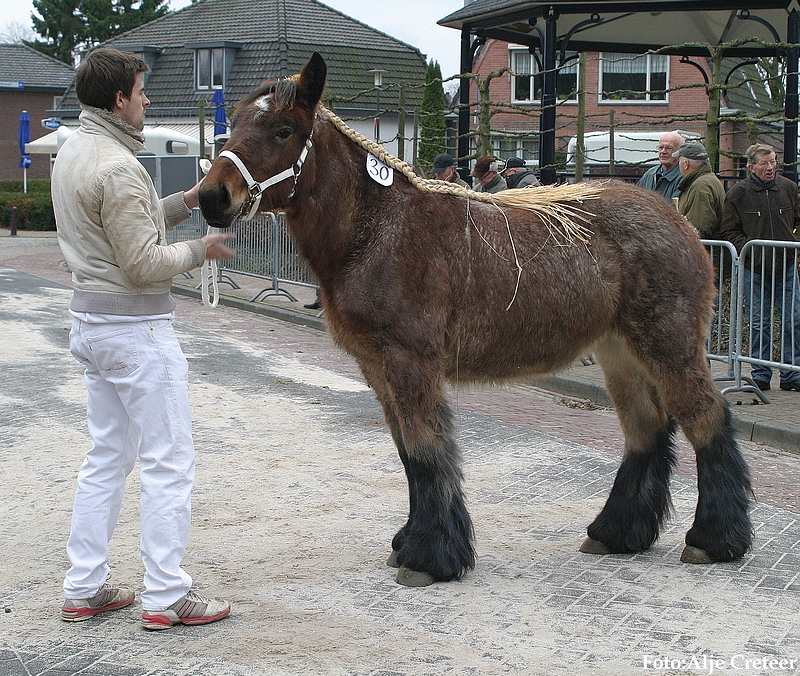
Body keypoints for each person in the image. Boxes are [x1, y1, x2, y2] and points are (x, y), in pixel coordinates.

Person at [52, 47, 236, 630]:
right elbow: (142, 263)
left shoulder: (73, 151)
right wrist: (200, 249)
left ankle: (84, 587)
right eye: (140, 90)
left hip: (92, 322)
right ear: (118, 100)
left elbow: (123, 227)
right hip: (135, 328)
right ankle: (165, 595)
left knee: (106, 457)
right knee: (168, 461)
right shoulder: (120, 166)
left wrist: (184, 202)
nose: (146, 99)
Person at [720, 143, 800, 393]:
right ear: (751, 166)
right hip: (755, 268)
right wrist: (751, 249)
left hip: (786, 264)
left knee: (792, 318)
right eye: (765, 163)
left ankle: (791, 373)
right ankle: (760, 373)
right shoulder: (738, 193)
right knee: (759, 322)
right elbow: (729, 231)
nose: (770, 167)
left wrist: (795, 243)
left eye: (774, 162)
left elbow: (798, 220)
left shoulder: (788, 188)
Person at [673, 142, 725, 239]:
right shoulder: (707, 180)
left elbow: (698, 229)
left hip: (705, 251)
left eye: (679, 161)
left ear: (686, 164)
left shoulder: (700, 187)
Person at [637, 131, 684, 200]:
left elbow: (674, 207)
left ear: (679, 151)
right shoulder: (649, 174)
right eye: (661, 147)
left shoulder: (683, 177)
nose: (663, 151)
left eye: (669, 148)